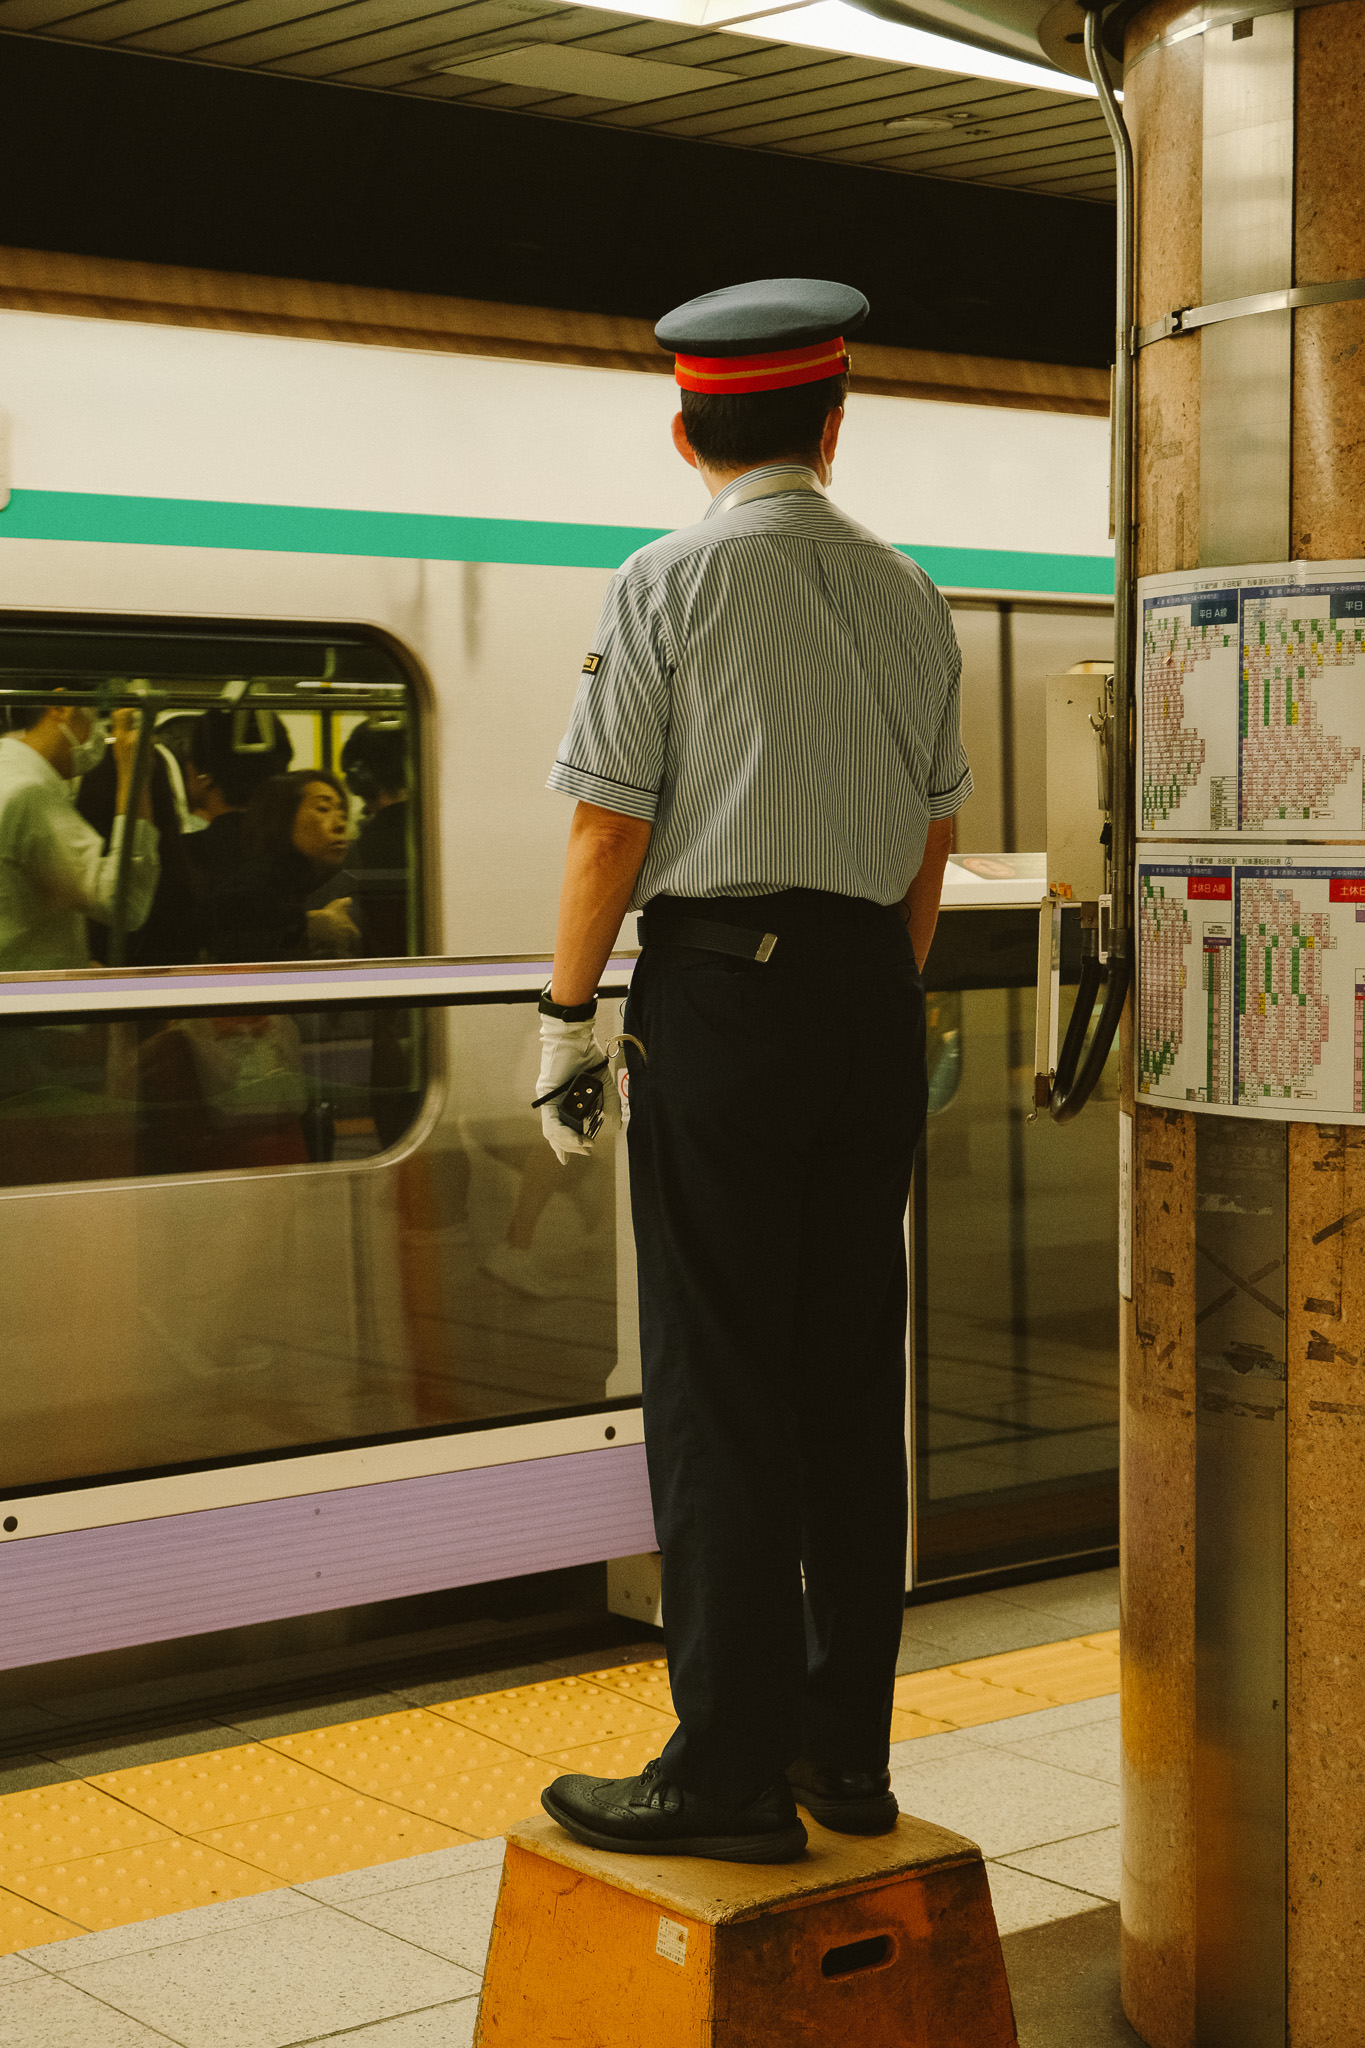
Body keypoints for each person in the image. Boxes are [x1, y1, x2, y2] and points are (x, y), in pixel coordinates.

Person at [535, 279, 970, 1865]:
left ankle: (722, 1771)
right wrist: (870, 996)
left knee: (721, 1384)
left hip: (720, 995)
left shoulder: (665, 580)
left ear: (684, 430)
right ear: (834, 426)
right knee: (853, 1381)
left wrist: (565, 1020)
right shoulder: (911, 588)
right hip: (870, 996)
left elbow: (607, 824)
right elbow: (930, 839)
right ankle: (841, 1754)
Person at [0, 697, 159, 968]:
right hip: (31, 999)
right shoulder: (29, 795)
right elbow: (125, 901)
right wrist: (133, 772)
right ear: (61, 706)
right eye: (94, 714)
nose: (100, 731)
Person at [207, 769, 357, 962]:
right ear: (282, 818)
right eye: (323, 809)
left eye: (342, 813)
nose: (340, 825)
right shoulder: (253, 886)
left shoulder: (336, 882)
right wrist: (307, 928)